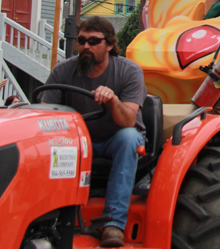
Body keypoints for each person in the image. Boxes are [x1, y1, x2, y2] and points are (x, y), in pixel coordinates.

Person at [41, 16, 147, 248]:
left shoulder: (128, 71)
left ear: (109, 44)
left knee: (128, 138)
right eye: (82, 40)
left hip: (116, 139)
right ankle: (48, 216)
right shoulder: (63, 71)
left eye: (93, 41)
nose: (86, 46)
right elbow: (46, 115)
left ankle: (113, 223)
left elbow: (128, 121)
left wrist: (112, 100)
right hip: (78, 141)